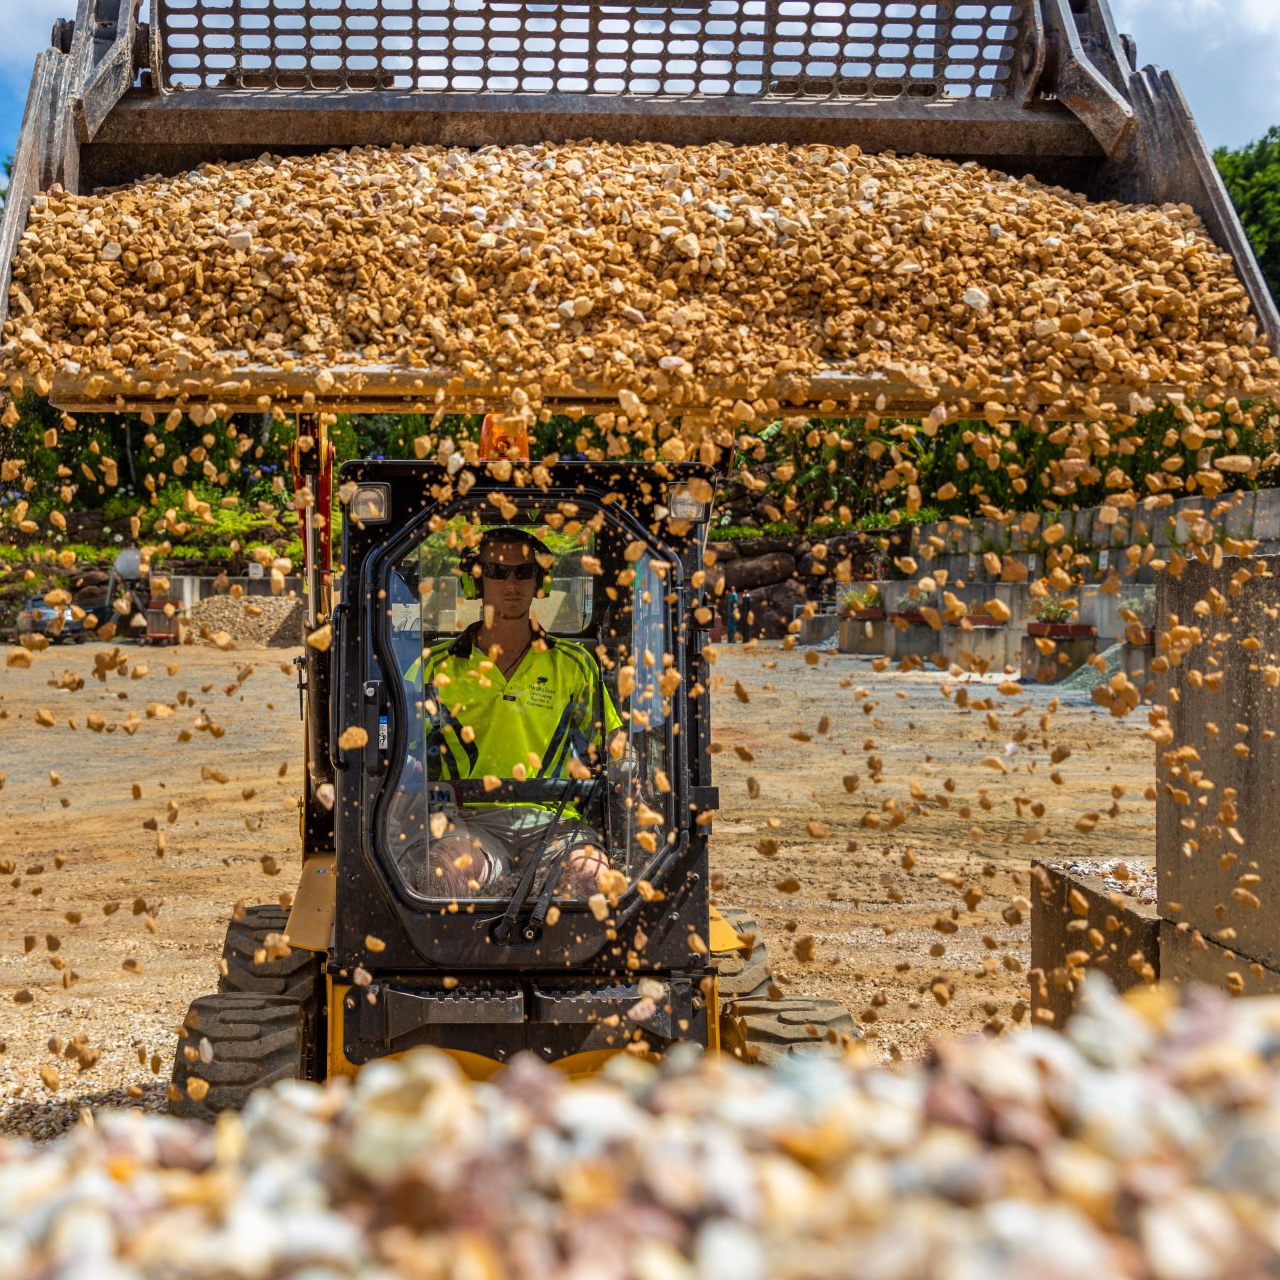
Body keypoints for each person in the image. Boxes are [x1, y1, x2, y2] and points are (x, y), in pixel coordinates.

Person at [399, 526, 622, 901]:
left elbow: (613, 738)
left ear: (541, 582)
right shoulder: (433, 668)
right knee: (443, 874)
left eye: (524, 572)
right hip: (468, 822)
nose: (512, 583)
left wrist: (629, 762)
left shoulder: (575, 665)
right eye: (497, 572)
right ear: (475, 582)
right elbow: (400, 741)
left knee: (591, 876)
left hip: (556, 821)